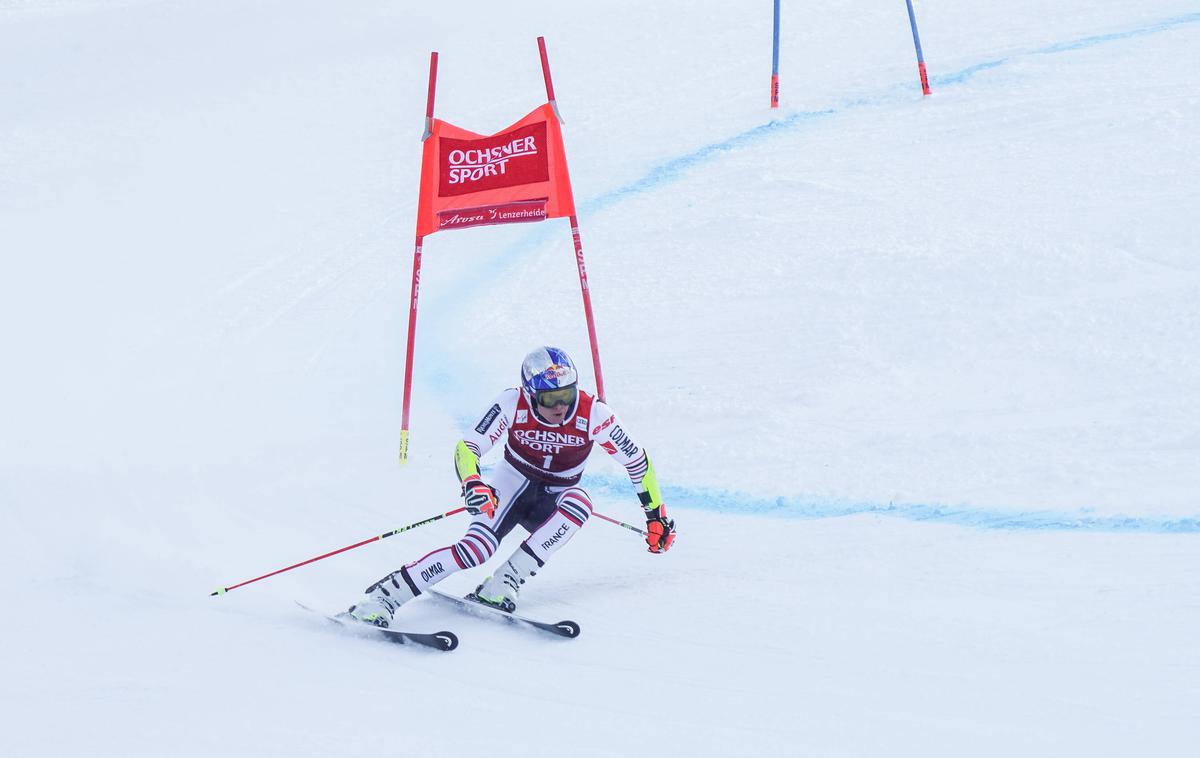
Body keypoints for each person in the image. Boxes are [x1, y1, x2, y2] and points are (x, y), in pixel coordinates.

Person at [348, 346, 676, 627]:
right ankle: (384, 597)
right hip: (512, 483)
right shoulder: (511, 403)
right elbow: (468, 447)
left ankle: (504, 582)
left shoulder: (595, 414)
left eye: (566, 395)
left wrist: (655, 515)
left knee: (581, 502)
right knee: (476, 550)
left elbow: (637, 461)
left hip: (556, 496)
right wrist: (473, 482)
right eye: (550, 399)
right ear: (531, 394)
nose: (560, 406)